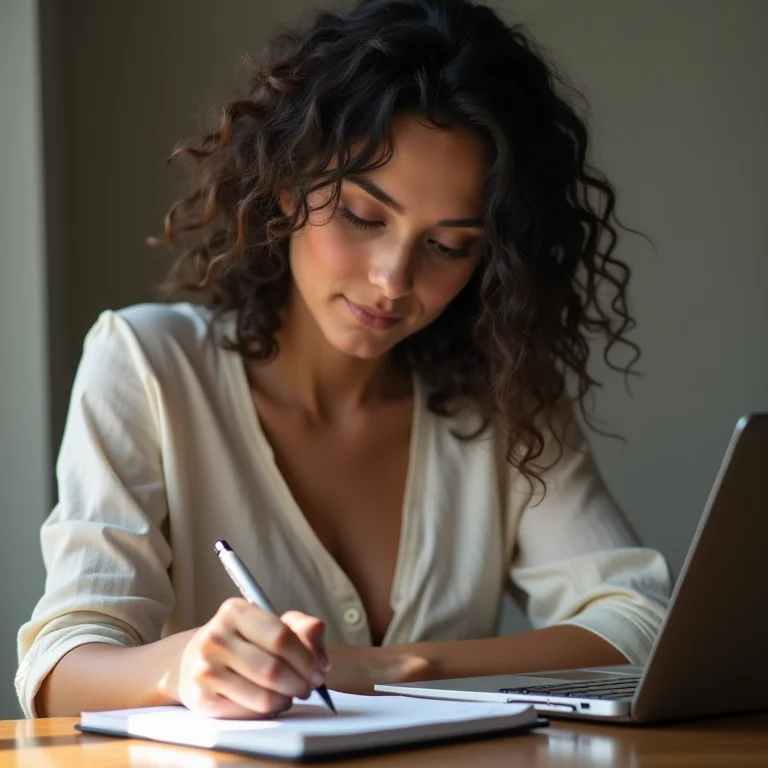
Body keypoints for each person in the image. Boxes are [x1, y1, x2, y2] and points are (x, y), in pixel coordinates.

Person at [16, 0, 671, 720]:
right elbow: (61, 671)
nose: (393, 279)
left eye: (450, 245)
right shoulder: (149, 365)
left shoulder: (504, 396)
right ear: (290, 186)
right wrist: (182, 665)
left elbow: (640, 622)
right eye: (363, 216)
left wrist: (396, 667)